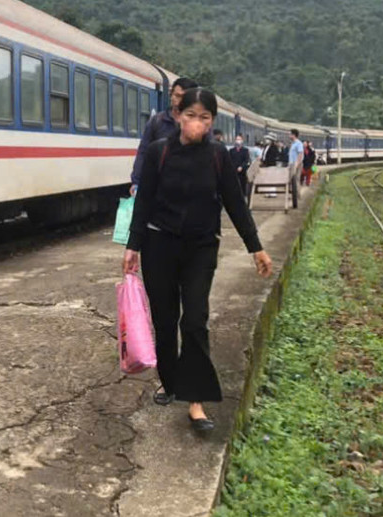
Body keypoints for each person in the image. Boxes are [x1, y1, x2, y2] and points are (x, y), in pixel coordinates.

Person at [122, 88, 273, 432]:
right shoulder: (159, 153)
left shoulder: (218, 156)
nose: (197, 123)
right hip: (159, 244)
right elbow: (143, 203)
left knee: (194, 320)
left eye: (205, 117)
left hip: (201, 248)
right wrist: (132, 247)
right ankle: (171, 382)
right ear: (178, 115)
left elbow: (235, 204)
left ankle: (196, 402)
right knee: (164, 321)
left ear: (212, 121)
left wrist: (256, 248)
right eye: (191, 115)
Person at [130, 78, 199, 196]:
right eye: (176, 95)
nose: (178, 101)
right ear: (171, 95)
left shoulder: (199, 125)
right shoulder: (157, 121)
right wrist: (136, 181)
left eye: (184, 97)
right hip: (160, 185)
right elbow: (143, 151)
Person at [287, 129, 304, 209]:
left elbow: (300, 154)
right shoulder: (293, 144)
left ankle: (297, 195)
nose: (289, 135)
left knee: (296, 179)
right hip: (291, 163)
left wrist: (297, 163)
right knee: (291, 179)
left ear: (294, 135)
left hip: (296, 164)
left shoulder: (298, 143)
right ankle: (293, 194)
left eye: (290, 134)